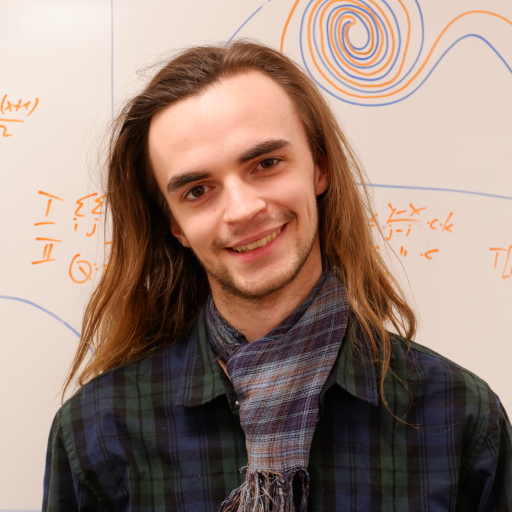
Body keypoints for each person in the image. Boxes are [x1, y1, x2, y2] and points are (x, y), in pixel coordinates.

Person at [43, 40, 512, 512]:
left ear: (320, 169)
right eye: (198, 190)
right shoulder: (97, 432)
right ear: (174, 226)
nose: (243, 210)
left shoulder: (460, 416)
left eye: (266, 164)